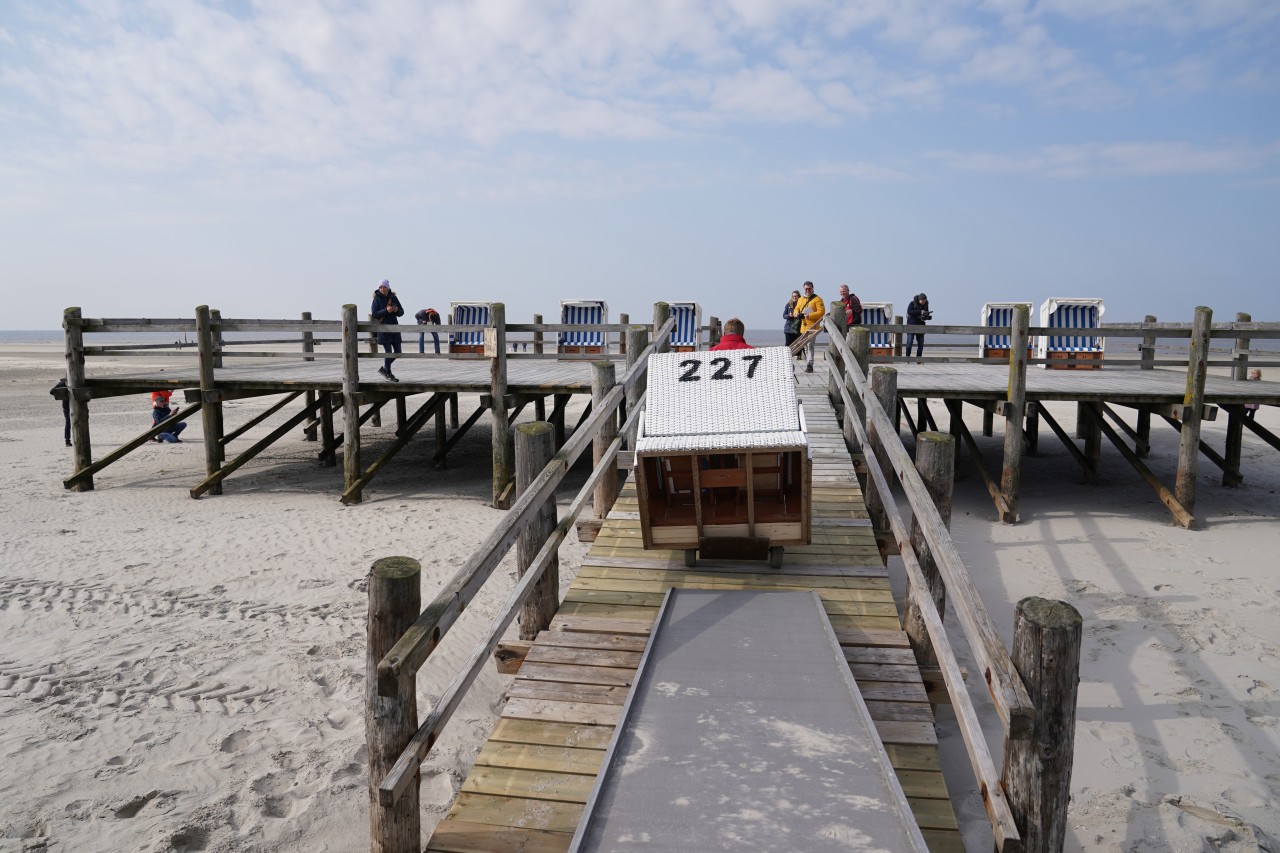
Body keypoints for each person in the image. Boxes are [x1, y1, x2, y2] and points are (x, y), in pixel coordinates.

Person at [371, 279, 405, 381]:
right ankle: (388, 373)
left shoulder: (393, 297)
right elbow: (375, 314)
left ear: (388, 287)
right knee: (388, 352)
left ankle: (385, 369)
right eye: (380, 287)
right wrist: (386, 310)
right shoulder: (376, 299)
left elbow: (402, 312)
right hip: (384, 329)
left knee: (398, 352)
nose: (382, 289)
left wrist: (396, 310)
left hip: (394, 328)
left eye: (384, 287)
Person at [794, 281, 825, 373]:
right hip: (803, 327)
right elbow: (796, 308)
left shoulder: (817, 299)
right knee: (806, 347)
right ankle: (809, 362)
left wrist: (810, 315)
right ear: (804, 289)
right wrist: (797, 314)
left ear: (812, 288)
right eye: (806, 289)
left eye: (809, 288)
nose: (807, 290)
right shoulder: (801, 299)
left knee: (810, 345)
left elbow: (821, 312)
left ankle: (810, 365)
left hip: (813, 326)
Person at [905, 292, 931, 359]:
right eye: (922, 300)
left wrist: (926, 315)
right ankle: (907, 358)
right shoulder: (912, 303)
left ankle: (919, 358)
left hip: (921, 325)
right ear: (919, 299)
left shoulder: (926, 304)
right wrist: (920, 311)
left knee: (921, 343)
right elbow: (909, 311)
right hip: (911, 325)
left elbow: (925, 313)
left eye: (925, 301)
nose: (923, 302)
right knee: (909, 343)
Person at [51, 378, 71, 446]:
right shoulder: (76, 382)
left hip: (66, 405)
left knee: (68, 423)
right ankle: (71, 440)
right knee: (77, 422)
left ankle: (67, 441)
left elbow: (52, 392)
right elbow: (51, 392)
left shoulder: (62, 383)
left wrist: (61, 396)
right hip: (77, 405)